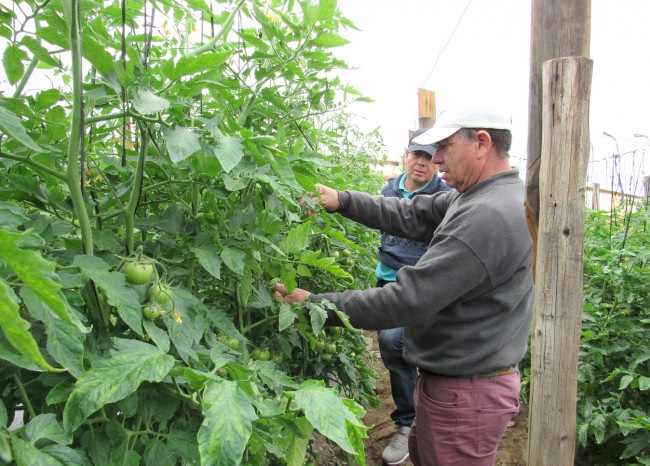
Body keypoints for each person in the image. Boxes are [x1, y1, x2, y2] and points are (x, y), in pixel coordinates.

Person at [276, 105, 534, 466]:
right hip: (459, 382)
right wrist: (342, 201)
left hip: (466, 393)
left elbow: (408, 299)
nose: (437, 158)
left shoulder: (487, 215)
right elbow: (411, 213)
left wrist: (317, 305)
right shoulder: (476, 195)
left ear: (481, 143)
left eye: (445, 147)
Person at [375, 128, 452, 465]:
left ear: (437, 160)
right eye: (415, 154)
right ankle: (413, 415)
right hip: (387, 279)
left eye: (428, 156)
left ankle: (410, 422)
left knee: (394, 342)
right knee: (396, 346)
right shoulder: (390, 189)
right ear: (405, 155)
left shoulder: (446, 195)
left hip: (422, 288)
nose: (421, 162)